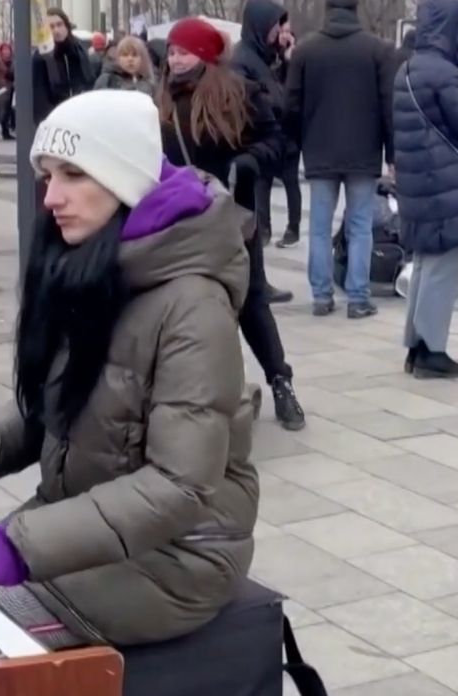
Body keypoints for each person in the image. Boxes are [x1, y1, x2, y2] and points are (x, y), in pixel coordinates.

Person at [0, 90, 260, 647]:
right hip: (90, 530)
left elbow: (179, 486)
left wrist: (13, 546)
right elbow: (50, 414)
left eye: (74, 174)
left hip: (179, 558)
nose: (52, 197)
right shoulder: (89, 266)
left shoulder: (192, 306)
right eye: (48, 175)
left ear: (125, 179)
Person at [161, 18, 302, 432]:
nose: (174, 59)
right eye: (171, 52)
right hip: (179, 223)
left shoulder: (238, 92)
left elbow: (275, 141)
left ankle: (281, 382)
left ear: (204, 55)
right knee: (193, 310)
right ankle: (212, 395)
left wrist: (250, 160)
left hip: (230, 219)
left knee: (251, 302)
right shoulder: (161, 101)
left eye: (182, 51)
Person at [393, 0, 458, 379]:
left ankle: (417, 345)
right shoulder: (444, 73)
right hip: (445, 183)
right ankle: (432, 351)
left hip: (419, 183)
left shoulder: (408, 68)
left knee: (426, 264)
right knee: (444, 265)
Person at [286, 0, 395, 319]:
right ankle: (358, 297)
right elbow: (388, 104)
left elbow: (292, 102)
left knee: (319, 225)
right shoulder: (377, 50)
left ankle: (321, 295)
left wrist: (297, 141)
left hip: (319, 149)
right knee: (360, 225)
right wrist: (393, 153)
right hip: (364, 150)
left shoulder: (306, 51)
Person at [233, 0, 295, 301]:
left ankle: (256, 281)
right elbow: (254, 103)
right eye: (275, 27)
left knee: (252, 224)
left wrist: (285, 60)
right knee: (248, 222)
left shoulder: (263, 58)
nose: (279, 33)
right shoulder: (243, 60)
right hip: (250, 150)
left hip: (262, 149)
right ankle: (250, 283)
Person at [269, 19, 301, 247]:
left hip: (290, 127)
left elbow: (295, 87)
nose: (284, 35)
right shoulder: (268, 57)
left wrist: (290, 60)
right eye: (281, 31)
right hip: (271, 125)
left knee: (290, 179)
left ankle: (294, 227)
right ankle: (263, 227)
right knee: (264, 178)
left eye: (288, 31)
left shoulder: (296, 58)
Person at [32, 8, 93, 123]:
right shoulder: (42, 56)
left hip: (80, 115)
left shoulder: (78, 50)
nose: (56, 30)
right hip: (55, 119)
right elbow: (39, 95)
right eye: (51, 27)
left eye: (59, 25)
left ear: (66, 26)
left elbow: (88, 81)